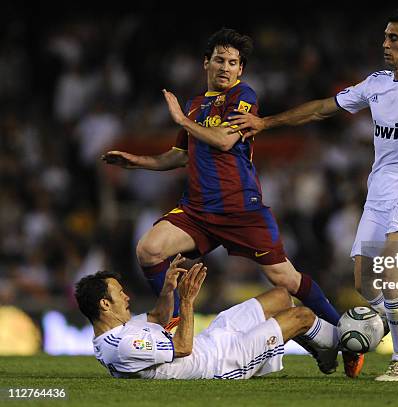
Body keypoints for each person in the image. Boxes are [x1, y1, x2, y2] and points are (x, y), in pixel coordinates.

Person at [229, 10, 398, 381]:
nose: (385, 44)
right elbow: (321, 109)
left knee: (391, 269)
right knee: (363, 282)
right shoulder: (375, 84)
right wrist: (266, 122)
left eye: (394, 38)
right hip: (379, 193)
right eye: (385, 37)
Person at [100, 28, 358, 376]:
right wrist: (140, 161)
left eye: (233, 62)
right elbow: (180, 155)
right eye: (219, 59)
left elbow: (223, 141)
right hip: (198, 211)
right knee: (149, 249)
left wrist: (180, 120)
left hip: (241, 210)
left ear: (241, 71)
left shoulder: (243, 96)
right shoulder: (195, 104)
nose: (225, 67)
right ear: (206, 62)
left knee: (286, 281)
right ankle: (173, 326)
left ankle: (344, 339)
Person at [75, 254, 339, 379]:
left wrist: (169, 290)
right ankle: (345, 343)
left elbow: (157, 316)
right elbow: (182, 347)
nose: (127, 297)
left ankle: (321, 350)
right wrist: (187, 300)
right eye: (120, 294)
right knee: (302, 316)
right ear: (104, 304)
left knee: (281, 296)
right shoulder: (124, 346)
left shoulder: (120, 331)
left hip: (214, 339)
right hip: (223, 362)